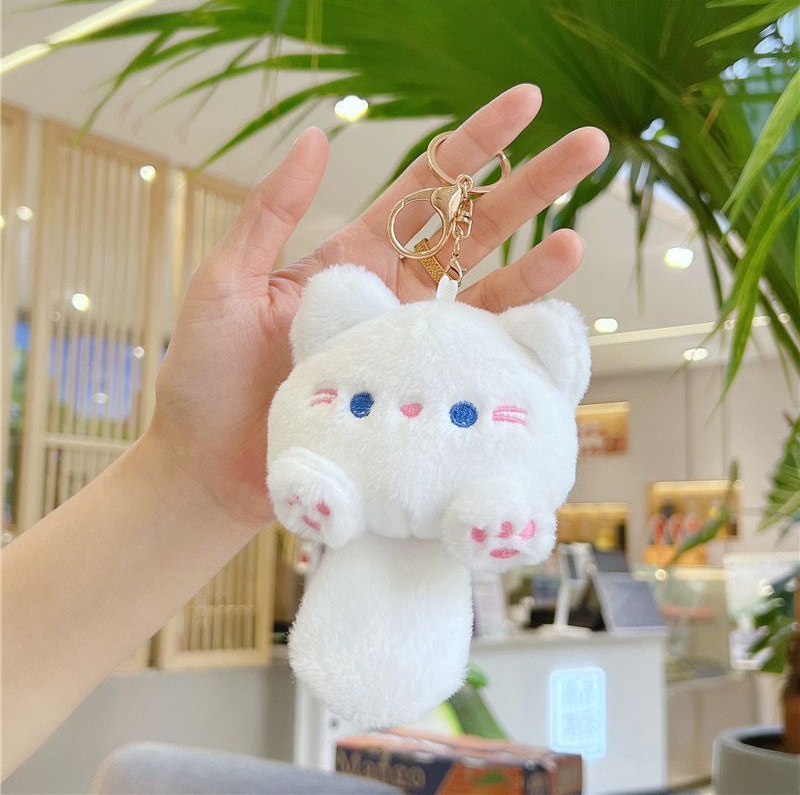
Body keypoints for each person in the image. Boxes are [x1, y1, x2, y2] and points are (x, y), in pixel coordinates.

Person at [1, 84, 608, 777]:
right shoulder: (342, 351)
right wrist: (196, 473)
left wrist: (192, 481)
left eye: (466, 418)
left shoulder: (501, 368)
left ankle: (481, 519)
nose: (414, 419)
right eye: (362, 403)